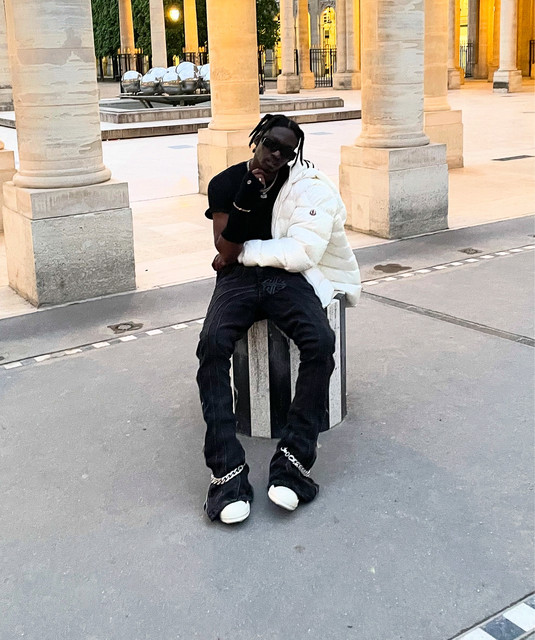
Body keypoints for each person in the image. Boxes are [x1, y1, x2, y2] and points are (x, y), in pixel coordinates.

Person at [196, 114, 361, 524]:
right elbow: (226, 252)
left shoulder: (297, 185)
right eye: (271, 144)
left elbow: (305, 240)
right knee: (211, 345)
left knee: (320, 342)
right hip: (238, 278)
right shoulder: (224, 183)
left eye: (286, 151)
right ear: (257, 139)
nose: (275, 155)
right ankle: (226, 473)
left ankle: (293, 463)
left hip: (284, 277)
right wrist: (244, 201)